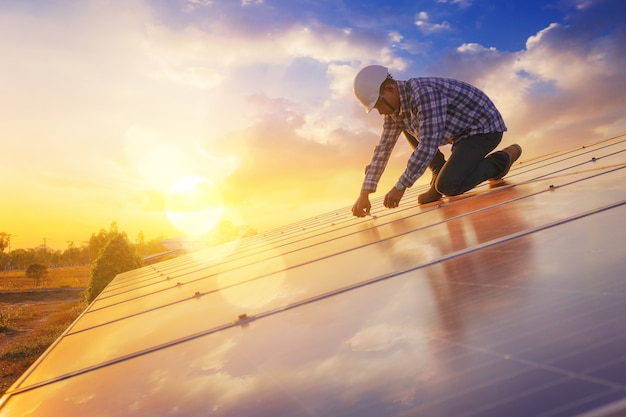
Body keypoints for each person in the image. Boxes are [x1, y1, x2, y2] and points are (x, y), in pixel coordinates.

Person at [351, 65, 522, 217]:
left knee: (449, 185)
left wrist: (401, 186)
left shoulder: (423, 93)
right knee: (406, 126)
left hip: (483, 129)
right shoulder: (394, 111)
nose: (380, 112)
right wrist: (364, 193)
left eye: (379, 105)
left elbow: (428, 144)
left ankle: (501, 160)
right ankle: (438, 171)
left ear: (389, 88)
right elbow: (383, 150)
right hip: (459, 134)